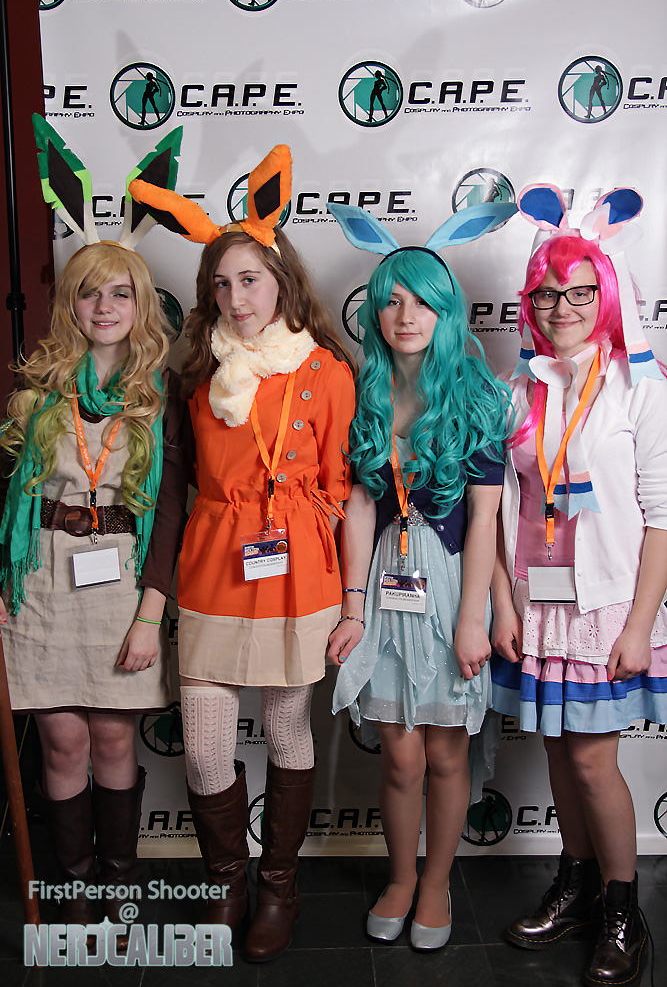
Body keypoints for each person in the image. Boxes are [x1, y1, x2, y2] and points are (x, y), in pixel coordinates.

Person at [130, 145, 357, 962]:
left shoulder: (326, 372)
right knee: (203, 744)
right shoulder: (195, 372)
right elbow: (176, 487)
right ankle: (227, 879)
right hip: (213, 565)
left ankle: (279, 885)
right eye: (220, 285)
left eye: (250, 280)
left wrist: (343, 589)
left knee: (289, 731)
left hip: (297, 568)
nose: (235, 298)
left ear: (282, 280)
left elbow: (342, 488)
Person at [326, 199, 514, 952]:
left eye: (423, 303)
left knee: (444, 752)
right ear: (374, 311)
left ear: (446, 310)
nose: (406, 317)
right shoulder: (362, 392)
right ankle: (400, 878)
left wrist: (473, 618)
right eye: (392, 301)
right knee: (400, 755)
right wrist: (351, 608)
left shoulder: (476, 394)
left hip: (451, 584)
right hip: (384, 583)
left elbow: (486, 519)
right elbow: (358, 506)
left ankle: (437, 882)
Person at [490, 185, 667, 987]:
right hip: (542, 603)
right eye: (546, 293)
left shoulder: (641, 386)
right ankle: (576, 884)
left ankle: (623, 910)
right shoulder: (520, 385)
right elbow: (508, 503)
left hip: (606, 607)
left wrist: (639, 624)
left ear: (607, 296)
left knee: (593, 762)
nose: (561, 308)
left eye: (578, 292)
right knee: (561, 756)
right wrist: (505, 602)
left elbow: (661, 518)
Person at [0, 240, 186, 935]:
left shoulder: (163, 395)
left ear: (140, 305)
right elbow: (6, 499)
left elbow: (172, 512)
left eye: (119, 293)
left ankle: (118, 881)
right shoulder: (35, 391)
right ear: (69, 304)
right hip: (42, 578)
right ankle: (74, 886)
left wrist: (150, 614)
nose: (103, 307)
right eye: (88, 292)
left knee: (111, 740)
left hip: (123, 584)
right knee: (60, 743)